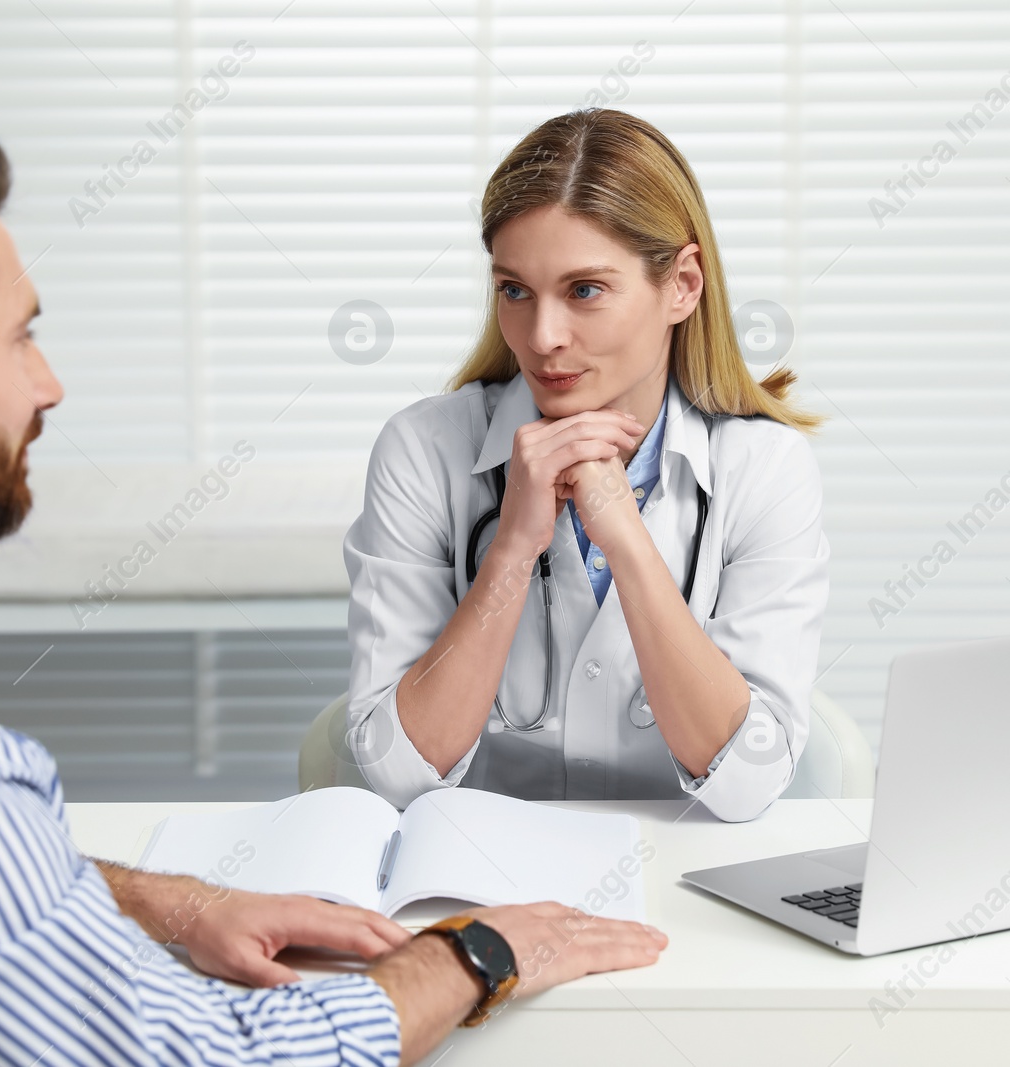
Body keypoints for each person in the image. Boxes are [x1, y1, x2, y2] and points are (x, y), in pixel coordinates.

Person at [0, 116, 666, 1066]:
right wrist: (472, 951)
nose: (49, 386)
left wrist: (169, 900)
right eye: (20, 337)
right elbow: (216, 1059)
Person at [343, 109, 832, 823]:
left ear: (683, 285)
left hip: (678, 887)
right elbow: (397, 769)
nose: (541, 338)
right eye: (515, 290)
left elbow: (745, 779)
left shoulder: (765, 468)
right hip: (481, 884)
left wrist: (626, 541)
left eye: (584, 291)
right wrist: (511, 548)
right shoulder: (423, 452)